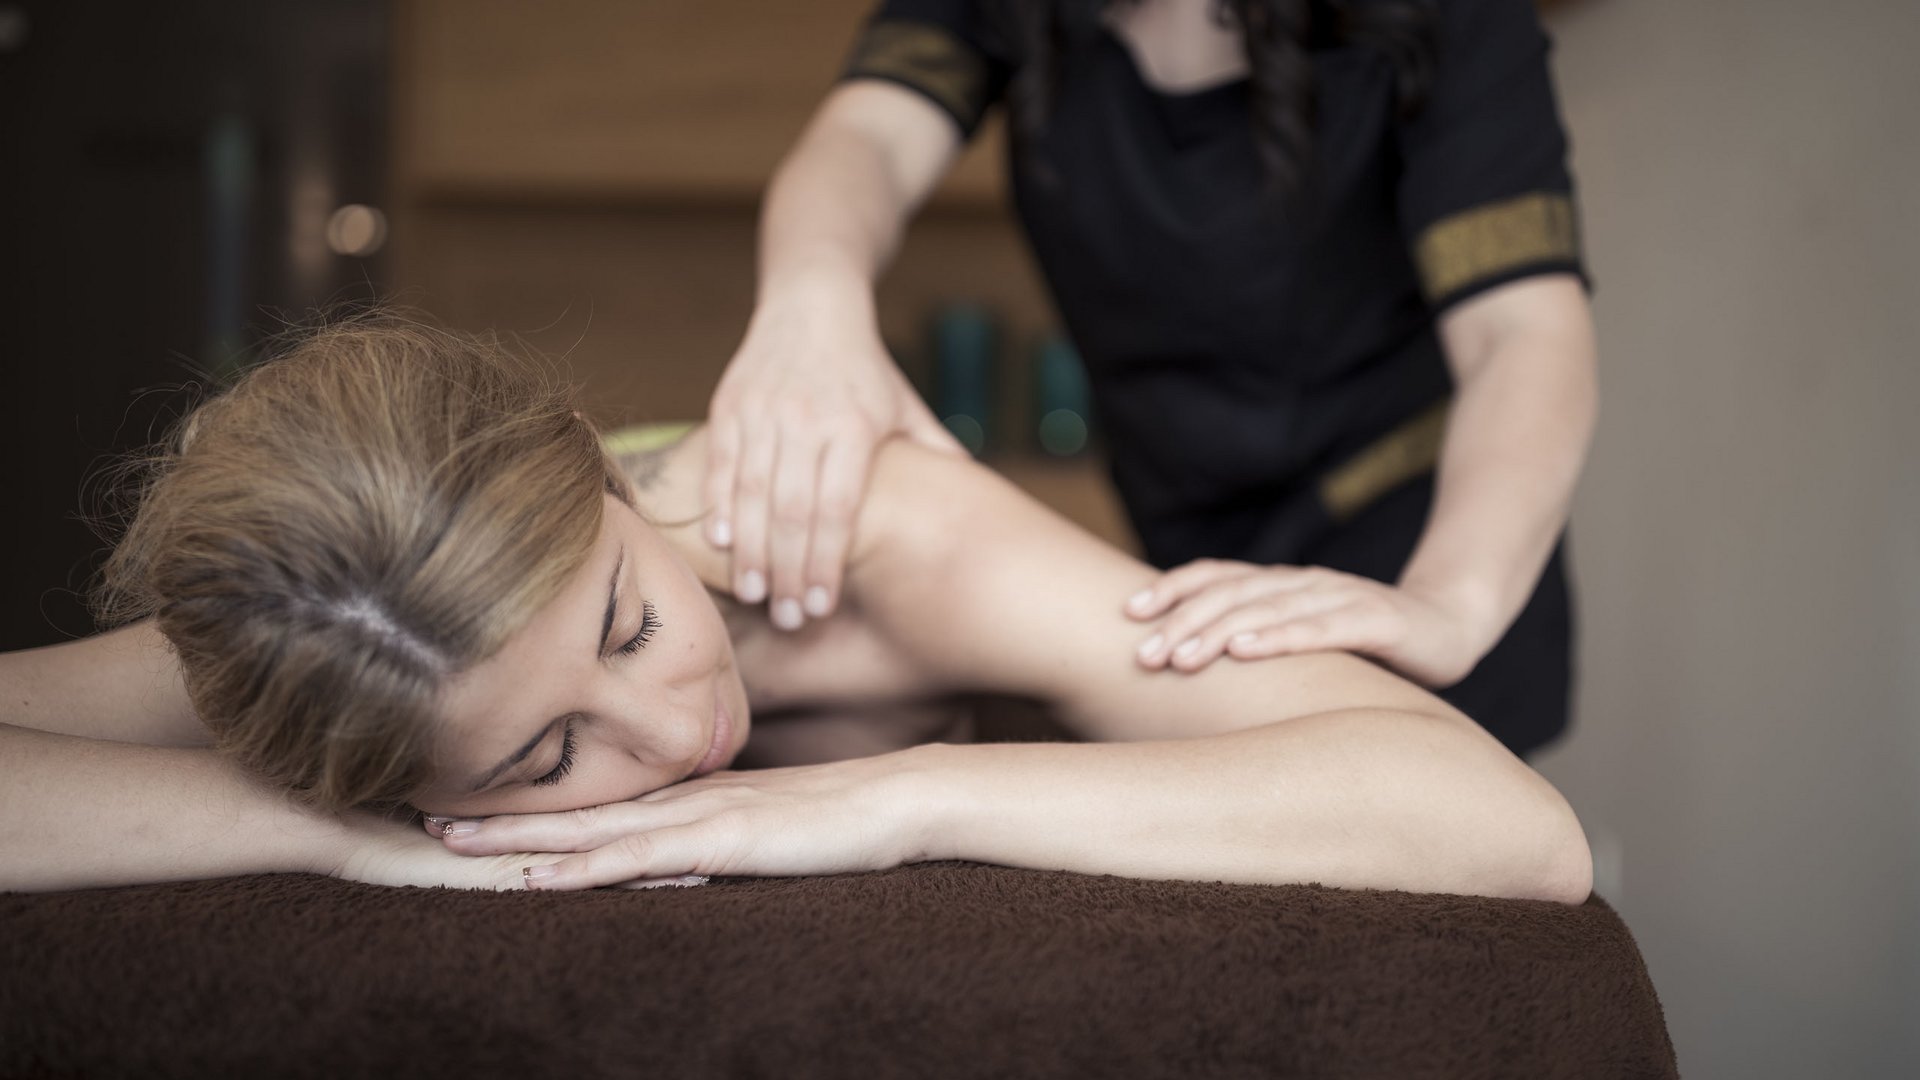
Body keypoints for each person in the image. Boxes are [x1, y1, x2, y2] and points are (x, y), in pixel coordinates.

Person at [0, 319, 1590, 900]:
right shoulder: (341, 639)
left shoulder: (880, 536)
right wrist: (345, 838)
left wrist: (886, 801)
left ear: (620, 487)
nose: (676, 728)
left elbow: (1513, 830)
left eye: (628, 625)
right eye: (542, 761)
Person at [703, 0, 1598, 757]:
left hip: (1420, 546)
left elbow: (1521, 334)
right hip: (1185, 558)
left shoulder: (1449, 20)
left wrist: (1445, 603)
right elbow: (867, 136)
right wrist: (808, 304)